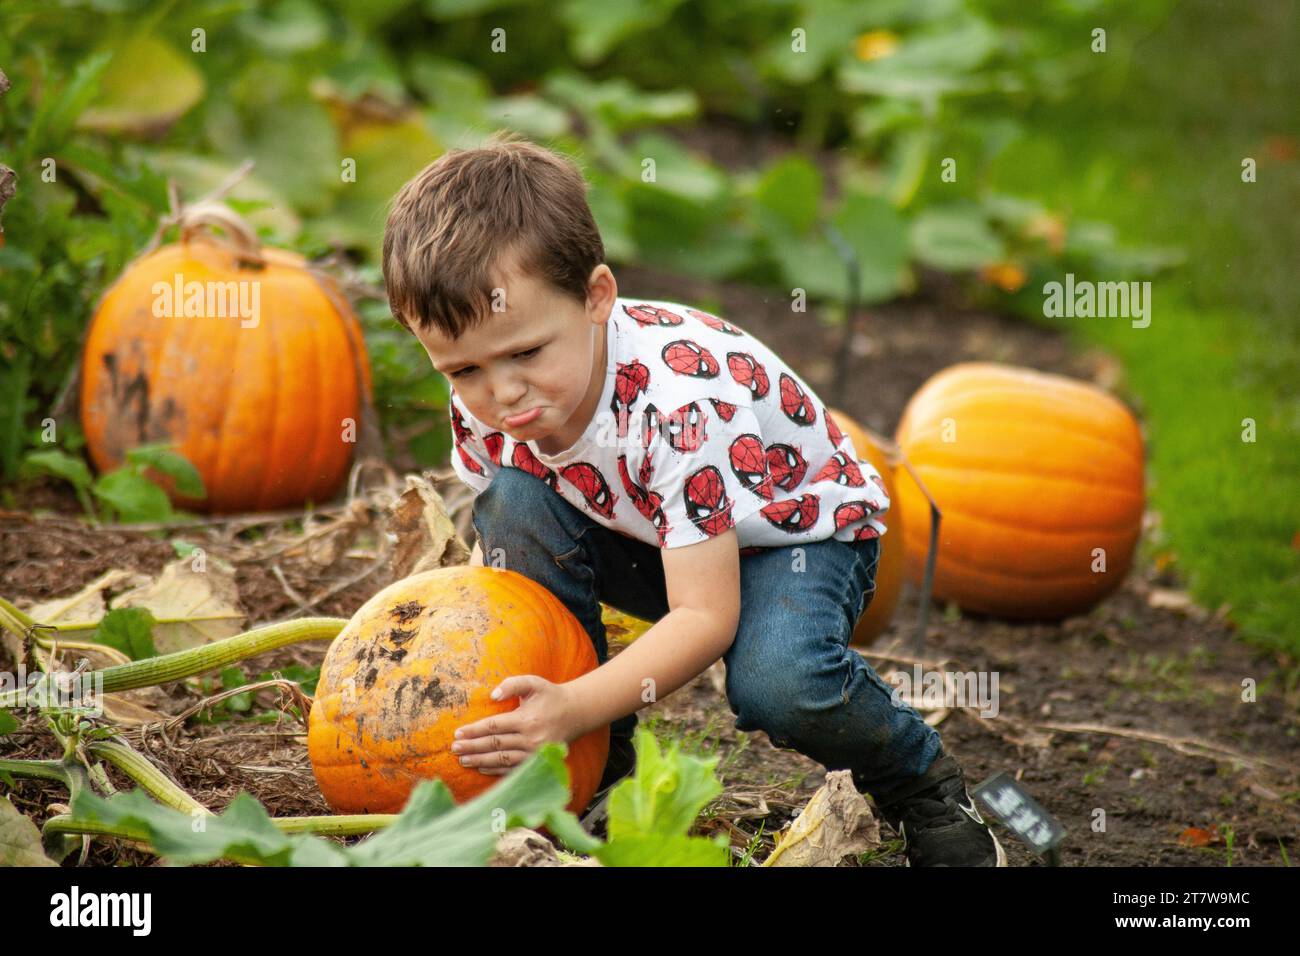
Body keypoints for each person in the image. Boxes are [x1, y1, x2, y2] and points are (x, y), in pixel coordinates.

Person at [380, 131, 1005, 867]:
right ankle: (600, 776)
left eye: (526, 353)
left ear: (596, 297)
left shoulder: (677, 408)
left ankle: (922, 782)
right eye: (464, 369)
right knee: (514, 501)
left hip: (792, 537)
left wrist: (573, 701)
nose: (503, 391)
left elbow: (706, 618)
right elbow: (510, 570)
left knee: (781, 684)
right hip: (646, 531)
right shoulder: (488, 404)